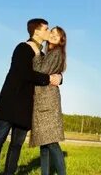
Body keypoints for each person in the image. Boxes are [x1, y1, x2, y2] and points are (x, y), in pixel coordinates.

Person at [0, 18, 62, 175]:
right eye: (46, 29)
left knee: (16, 145)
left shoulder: (41, 54)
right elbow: (24, 73)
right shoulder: (22, 48)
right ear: (36, 31)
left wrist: (60, 76)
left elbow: (49, 70)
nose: (49, 32)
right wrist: (47, 79)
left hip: (26, 107)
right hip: (10, 101)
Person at [29, 26, 67, 175]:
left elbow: (41, 71)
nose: (53, 36)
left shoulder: (56, 53)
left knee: (51, 143)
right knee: (44, 145)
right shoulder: (50, 53)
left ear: (61, 41)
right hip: (42, 101)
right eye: (52, 32)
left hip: (48, 103)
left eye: (57, 36)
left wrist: (36, 52)